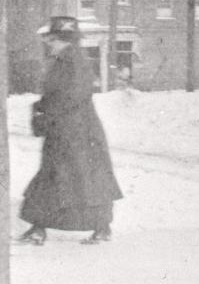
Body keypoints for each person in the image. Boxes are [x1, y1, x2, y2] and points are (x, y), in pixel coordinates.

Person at [19, 16, 122, 246]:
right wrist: (41, 109)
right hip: (66, 131)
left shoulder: (74, 62)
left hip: (78, 133)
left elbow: (73, 96)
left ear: (68, 41)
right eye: (50, 39)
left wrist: (47, 112)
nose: (50, 43)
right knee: (60, 179)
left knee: (85, 181)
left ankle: (99, 229)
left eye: (55, 39)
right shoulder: (61, 61)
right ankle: (39, 228)